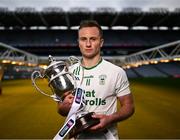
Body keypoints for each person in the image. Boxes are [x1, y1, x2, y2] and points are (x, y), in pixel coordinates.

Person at [57, 20, 135, 139]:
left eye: (93, 39)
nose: (88, 44)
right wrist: (65, 106)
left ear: (101, 42)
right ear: (78, 43)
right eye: (83, 39)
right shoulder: (68, 73)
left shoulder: (116, 72)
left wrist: (110, 119)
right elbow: (61, 109)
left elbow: (129, 107)